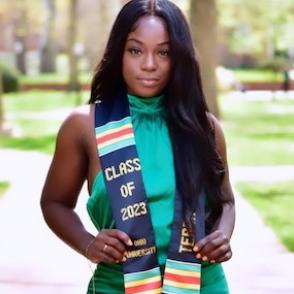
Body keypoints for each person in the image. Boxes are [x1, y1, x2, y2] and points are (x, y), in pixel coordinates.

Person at [40, 0, 235, 293]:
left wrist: (222, 235)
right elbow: (54, 202)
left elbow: (226, 201)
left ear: (178, 57)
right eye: (135, 50)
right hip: (117, 286)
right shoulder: (84, 126)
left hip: (200, 284)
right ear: (119, 52)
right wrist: (88, 244)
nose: (149, 64)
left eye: (164, 52)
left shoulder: (203, 128)